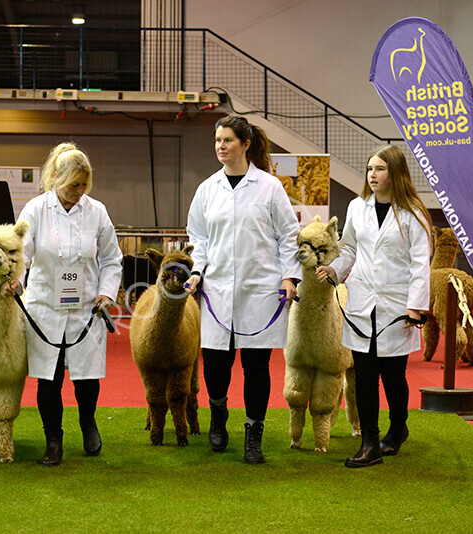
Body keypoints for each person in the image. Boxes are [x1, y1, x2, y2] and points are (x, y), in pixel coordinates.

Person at [185, 115, 301, 464]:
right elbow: (199, 239)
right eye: (217, 140)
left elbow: (288, 236)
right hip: (217, 289)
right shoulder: (207, 189)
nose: (221, 146)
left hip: (260, 290)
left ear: (246, 144)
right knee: (216, 366)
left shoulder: (270, 188)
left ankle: (254, 432)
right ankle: (218, 414)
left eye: (228, 140)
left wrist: (289, 277)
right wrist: (196, 272)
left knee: (256, 365)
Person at [5, 142, 123, 466]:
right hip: (46, 307)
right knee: (49, 377)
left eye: (84, 185)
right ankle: (53, 440)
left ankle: (88, 422)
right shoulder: (35, 209)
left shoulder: (97, 211)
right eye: (74, 184)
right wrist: (17, 278)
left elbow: (113, 259)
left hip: (86, 307)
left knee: (86, 377)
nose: (79, 191)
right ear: (57, 177)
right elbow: (22, 253)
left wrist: (107, 293)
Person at [316, 145, 431, 468]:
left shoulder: (414, 213)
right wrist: (335, 270)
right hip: (362, 303)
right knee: (364, 375)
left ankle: (397, 428)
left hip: (397, 307)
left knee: (393, 376)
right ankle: (370, 442)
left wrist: (415, 307)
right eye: (370, 169)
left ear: (395, 172)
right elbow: (350, 248)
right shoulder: (357, 206)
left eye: (379, 169)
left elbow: (420, 263)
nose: (373, 175)